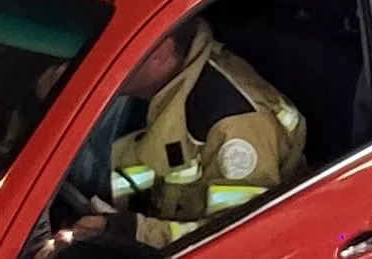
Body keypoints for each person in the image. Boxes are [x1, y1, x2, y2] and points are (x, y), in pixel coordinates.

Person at [52, 19, 307, 252]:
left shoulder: (233, 125)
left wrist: (131, 230)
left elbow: (237, 239)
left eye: (118, 50)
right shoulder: (152, 90)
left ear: (162, 53)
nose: (102, 63)